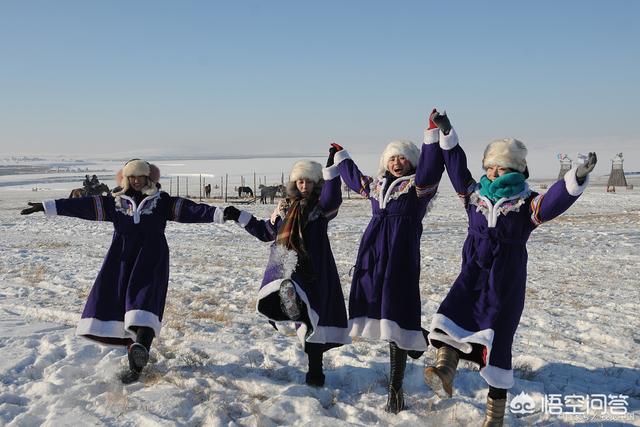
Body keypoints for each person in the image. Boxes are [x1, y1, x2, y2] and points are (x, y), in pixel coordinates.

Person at [423, 110, 597, 426]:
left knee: (498, 341)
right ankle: (445, 371)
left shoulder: (526, 201)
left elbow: (554, 201)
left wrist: (577, 175)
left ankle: (495, 416)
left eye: (500, 167)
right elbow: (456, 166)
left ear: (515, 169)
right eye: (489, 166)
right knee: (451, 314)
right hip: (473, 270)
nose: (493, 171)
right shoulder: (474, 194)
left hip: (506, 277)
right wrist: (447, 130)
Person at [20, 159, 225, 384]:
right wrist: (48, 206)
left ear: (149, 178)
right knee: (123, 307)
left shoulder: (162, 201)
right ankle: (136, 362)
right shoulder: (115, 203)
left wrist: (224, 213)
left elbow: (192, 210)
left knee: (145, 303)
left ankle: (140, 353)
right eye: (132, 177)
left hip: (152, 258)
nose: (136, 181)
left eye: (140, 176)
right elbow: (84, 206)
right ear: (126, 179)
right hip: (122, 259)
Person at [333, 113, 445, 413]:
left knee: (397, 315)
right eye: (393, 158)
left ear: (412, 163)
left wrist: (432, 135)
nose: (398, 163)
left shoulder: (418, 189)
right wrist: (340, 157)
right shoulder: (377, 186)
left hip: (401, 255)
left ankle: (396, 389)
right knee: (378, 309)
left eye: (403, 159)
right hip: (373, 253)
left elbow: (432, 169)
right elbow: (354, 179)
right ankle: (417, 341)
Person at [223, 146, 350, 387]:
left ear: (316, 184)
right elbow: (266, 232)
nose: (305, 186)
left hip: (313, 268)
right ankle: (289, 305)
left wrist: (331, 166)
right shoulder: (284, 208)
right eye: (300, 181)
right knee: (302, 312)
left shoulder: (320, 209)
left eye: (310, 182)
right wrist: (239, 215)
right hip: (287, 268)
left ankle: (315, 371)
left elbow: (333, 197)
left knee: (314, 319)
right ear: (294, 183)